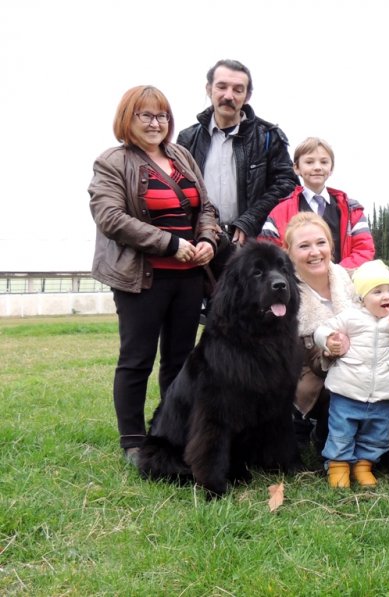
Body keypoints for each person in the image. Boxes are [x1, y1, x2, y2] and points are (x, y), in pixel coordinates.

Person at [88, 85, 219, 464]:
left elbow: (205, 206)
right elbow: (110, 218)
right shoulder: (112, 162)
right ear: (127, 118)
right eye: (145, 115)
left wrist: (207, 238)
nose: (155, 122)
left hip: (188, 276)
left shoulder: (180, 155)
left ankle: (168, 429)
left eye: (161, 115)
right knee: (137, 359)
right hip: (141, 278)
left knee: (179, 359)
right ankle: (132, 440)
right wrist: (171, 244)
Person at [313, 260, 389, 488]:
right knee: (341, 431)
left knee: (376, 434)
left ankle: (364, 465)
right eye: (376, 291)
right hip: (348, 391)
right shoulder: (350, 317)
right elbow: (321, 329)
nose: (385, 296)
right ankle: (338, 466)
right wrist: (329, 340)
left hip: (384, 394)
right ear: (362, 298)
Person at [177, 59, 297, 247]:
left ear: (247, 96)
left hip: (252, 245)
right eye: (222, 87)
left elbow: (288, 184)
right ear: (209, 89)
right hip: (201, 242)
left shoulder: (268, 136)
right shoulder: (187, 139)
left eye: (238, 90)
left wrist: (250, 220)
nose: (228, 96)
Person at [283, 213, 359, 454]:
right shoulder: (283, 293)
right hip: (310, 379)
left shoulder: (350, 281)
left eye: (321, 243)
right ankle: (310, 425)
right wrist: (328, 349)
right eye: (304, 246)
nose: (315, 252)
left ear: (331, 245)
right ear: (289, 252)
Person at [261, 137, 375, 269]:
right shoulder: (279, 212)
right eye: (309, 162)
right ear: (296, 168)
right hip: (299, 286)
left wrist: (337, 274)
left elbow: (364, 250)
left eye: (324, 162)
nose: (317, 167)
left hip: (345, 284)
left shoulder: (352, 210)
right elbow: (268, 253)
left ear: (331, 168)